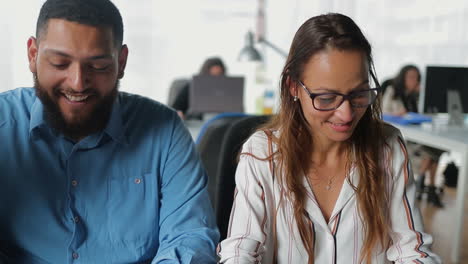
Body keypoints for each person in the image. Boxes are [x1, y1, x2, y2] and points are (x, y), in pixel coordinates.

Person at [0, 0, 219, 263]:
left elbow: (190, 238)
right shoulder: (3, 125)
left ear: (122, 61)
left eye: (99, 66)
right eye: (60, 63)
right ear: (33, 55)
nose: (78, 83)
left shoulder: (165, 132)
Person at [218, 13, 440, 263]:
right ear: (293, 87)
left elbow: (412, 249)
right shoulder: (262, 155)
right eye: (325, 98)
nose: (346, 114)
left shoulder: (388, 147)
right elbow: (240, 251)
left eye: (359, 94)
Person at [382, 65, 444, 207]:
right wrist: (398, 114)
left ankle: (424, 186)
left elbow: (420, 114)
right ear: (403, 77)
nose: (414, 80)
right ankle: (424, 186)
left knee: (435, 151)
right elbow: (382, 111)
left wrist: (421, 95)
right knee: (431, 154)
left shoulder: (412, 96)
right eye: (410, 77)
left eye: (416, 77)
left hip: (414, 135)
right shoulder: (392, 90)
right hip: (398, 136)